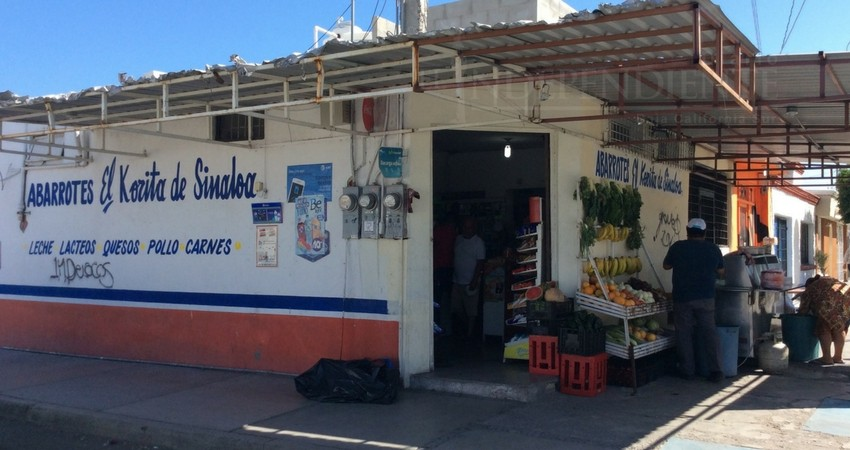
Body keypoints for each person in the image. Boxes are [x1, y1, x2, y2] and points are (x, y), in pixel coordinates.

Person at [663, 218, 726, 383]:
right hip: (706, 298)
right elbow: (721, 270)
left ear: (687, 230)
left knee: (684, 333)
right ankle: (717, 371)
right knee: (710, 333)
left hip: (682, 297)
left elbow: (666, 266)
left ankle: (687, 370)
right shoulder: (713, 249)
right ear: (705, 233)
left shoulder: (677, 247)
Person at [797, 275, 850, 365]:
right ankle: (838, 357)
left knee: (823, 328)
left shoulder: (810, 289)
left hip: (829, 302)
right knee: (839, 327)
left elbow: (803, 310)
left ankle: (826, 358)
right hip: (846, 296)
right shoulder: (828, 279)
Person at [451, 216, 486, 338]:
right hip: (456, 280)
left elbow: (480, 262)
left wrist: (475, 280)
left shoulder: (478, 242)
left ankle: (470, 335)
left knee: (472, 311)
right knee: (456, 307)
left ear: (474, 228)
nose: (468, 230)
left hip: (471, 281)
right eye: (465, 227)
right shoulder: (458, 239)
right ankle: (466, 327)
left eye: (470, 227)